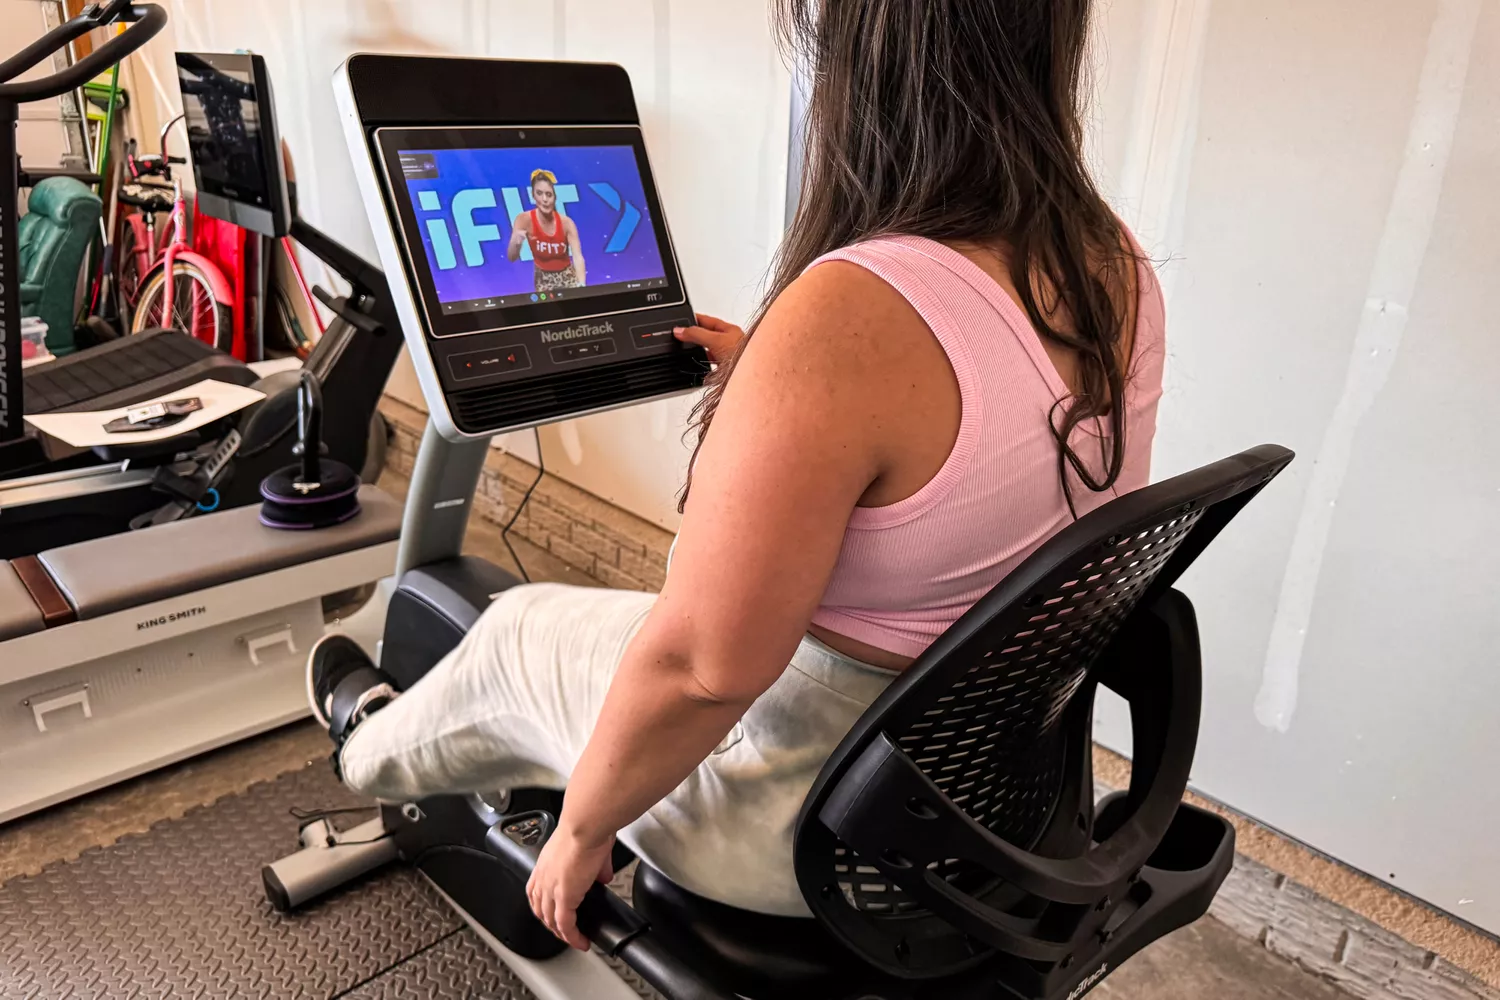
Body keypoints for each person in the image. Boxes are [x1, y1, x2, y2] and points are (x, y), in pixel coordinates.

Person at [308, 0, 1165, 952]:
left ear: (867, 54)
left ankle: (364, 745)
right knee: (594, 635)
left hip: (801, 829)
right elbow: (978, 435)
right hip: (989, 789)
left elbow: (700, 674)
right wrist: (787, 398)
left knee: (514, 636)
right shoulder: (1110, 257)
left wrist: (582, 836)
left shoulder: (853, 311)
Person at [507, 168, 585, 292]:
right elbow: (512, 257)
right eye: (539, 193)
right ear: (533, 195)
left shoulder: (567, 223)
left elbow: (578, 257)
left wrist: (581, 285)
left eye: (549, 194)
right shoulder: (523, 220)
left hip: (567, 277)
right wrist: (516, 243)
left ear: (554, 198)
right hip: (542, 279)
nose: (544, 199)